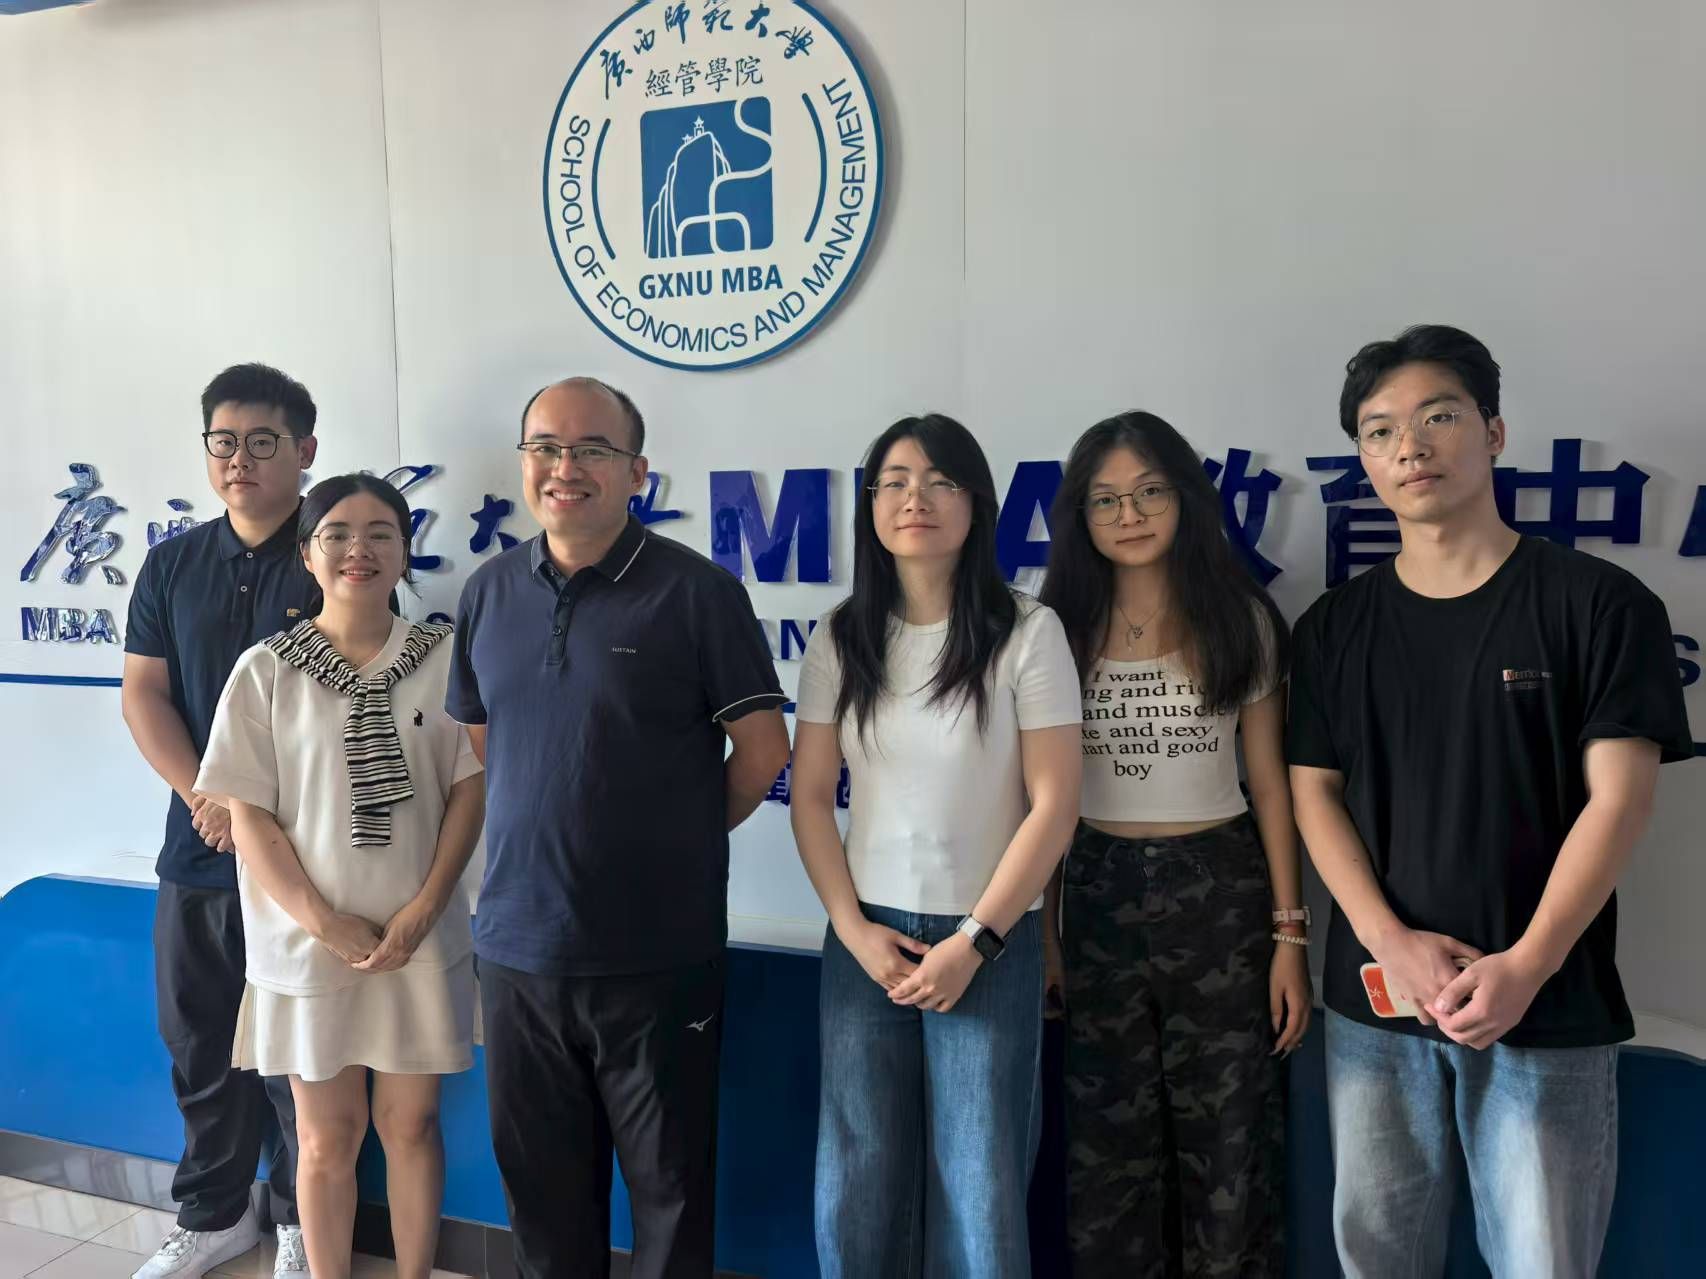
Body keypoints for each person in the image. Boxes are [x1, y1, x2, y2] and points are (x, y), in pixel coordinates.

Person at [1287, 325, 1693, 1278]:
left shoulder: (1599, 604)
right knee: (1376, 1255)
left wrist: (1526, 964)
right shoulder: (1334, 626)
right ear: (1363, 462)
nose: (1410, 447)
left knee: (1543, 1259)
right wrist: (1390, 941)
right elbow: (1314, 792)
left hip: (1543, 1004)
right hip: (1376, 1011)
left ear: (1495, 431)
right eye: (1380, 432)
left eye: (1438, 417)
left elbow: (1620, 802)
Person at [446, 378, 791, 1279]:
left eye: (592, 449)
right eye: (546, 447)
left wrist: (673, 837)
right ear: (524, 462)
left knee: (670, 1196)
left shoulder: (698, 591)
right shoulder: (487, 592)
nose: (566, 467)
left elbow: (762, 749)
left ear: (637, 471)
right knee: (543, 1202)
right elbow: (489, 739)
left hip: (658, 955)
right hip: (517, 951)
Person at [791, 414, 1083, 1279]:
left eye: (939, 481)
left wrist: (976, 940)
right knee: (856, 1174)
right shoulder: (841, 635)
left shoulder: (1027, 630)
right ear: (870, 506)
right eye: (894, 482)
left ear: (976, 503)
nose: (913, 498)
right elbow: (810, 797)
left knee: (980, 1178)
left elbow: (1055, 804)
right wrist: (852, 928)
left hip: (988, 939)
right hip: (865, 938)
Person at [1038, 411, 1307, 1278]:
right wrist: (1045, 932)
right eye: (1105, 499)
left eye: (1150, 491)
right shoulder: (1053, 628)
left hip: (1221, 891)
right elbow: (1043, 801)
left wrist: (1290, 936)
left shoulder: (1240, 618)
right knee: (1106, 1143)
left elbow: (1272, 785)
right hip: (1098, 889)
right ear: (1080, 515)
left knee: (1231, 1138)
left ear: (1187, 498)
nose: (1129, 514)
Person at [195, 474, 484, 1279]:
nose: (361, 549)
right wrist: (323, 921)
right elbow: (248, 815)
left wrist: (425, 908)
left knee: (412, 1125)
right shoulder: (266, 671)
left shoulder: (447, 661)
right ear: (307, 553)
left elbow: (469, 791)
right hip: (306, 944)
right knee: (325, 1138)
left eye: (381, 533)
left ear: (405, 551)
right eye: (339, 534)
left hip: (419, 937)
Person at [122, 364, 317, 1279]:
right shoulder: (172, 564)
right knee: (199, 1037)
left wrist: (252, 810)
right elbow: (144, 695)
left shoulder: (336, 553)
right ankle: (214, 1213)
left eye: (262, 441)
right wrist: (205, 795)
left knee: (296, 1049)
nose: (240, 459)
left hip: (302, 857)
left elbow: (353, 712)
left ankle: (302, 1217)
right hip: (198, 851)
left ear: (305, 451)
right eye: (224, 442)